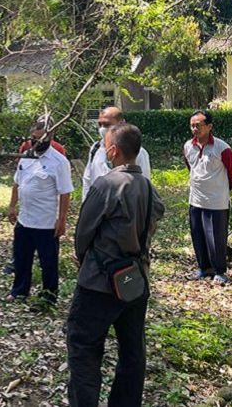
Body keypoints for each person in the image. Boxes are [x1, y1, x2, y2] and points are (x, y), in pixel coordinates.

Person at [67, 123, 165, 407]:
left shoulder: (107, 184)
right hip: (135, 281)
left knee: (84, 346)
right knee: (133, 351)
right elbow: (157, 212)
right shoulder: (146, 185)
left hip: (99, 282)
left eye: (105, 146)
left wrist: (83, 255)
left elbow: (84, 230)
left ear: (114, 151)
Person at [6, 119, 73, 309]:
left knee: (48, 263)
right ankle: (19, 290)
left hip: (46, 222)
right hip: (25, 219)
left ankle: (48, 297)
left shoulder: (59, 162)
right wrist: (12, 206)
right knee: (21, 257)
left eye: (41, 138)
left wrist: (62, 220)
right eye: (33, 138)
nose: (37, 142)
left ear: (50, 137)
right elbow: (17, 183)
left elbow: (65, 192)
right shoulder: (26, 156)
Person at [184, 110, 232, 287]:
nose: (195, 128)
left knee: (216, 237)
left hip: (217, 202)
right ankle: (204, 267)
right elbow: (190, 166)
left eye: (199, 125)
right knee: (198, 235)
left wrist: (222, 189)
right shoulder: (188, 146)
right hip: (196, 199)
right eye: (192, 125)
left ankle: (220, 271)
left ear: (209, 126)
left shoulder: (222, 148)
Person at [82, 106, 151, 200]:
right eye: (100, 124)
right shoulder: (95, 148)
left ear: (122, 123)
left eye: (107, 124)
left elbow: (143, 185)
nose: (102, 128)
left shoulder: (138, 152)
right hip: (98, 204)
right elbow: (88, 180)